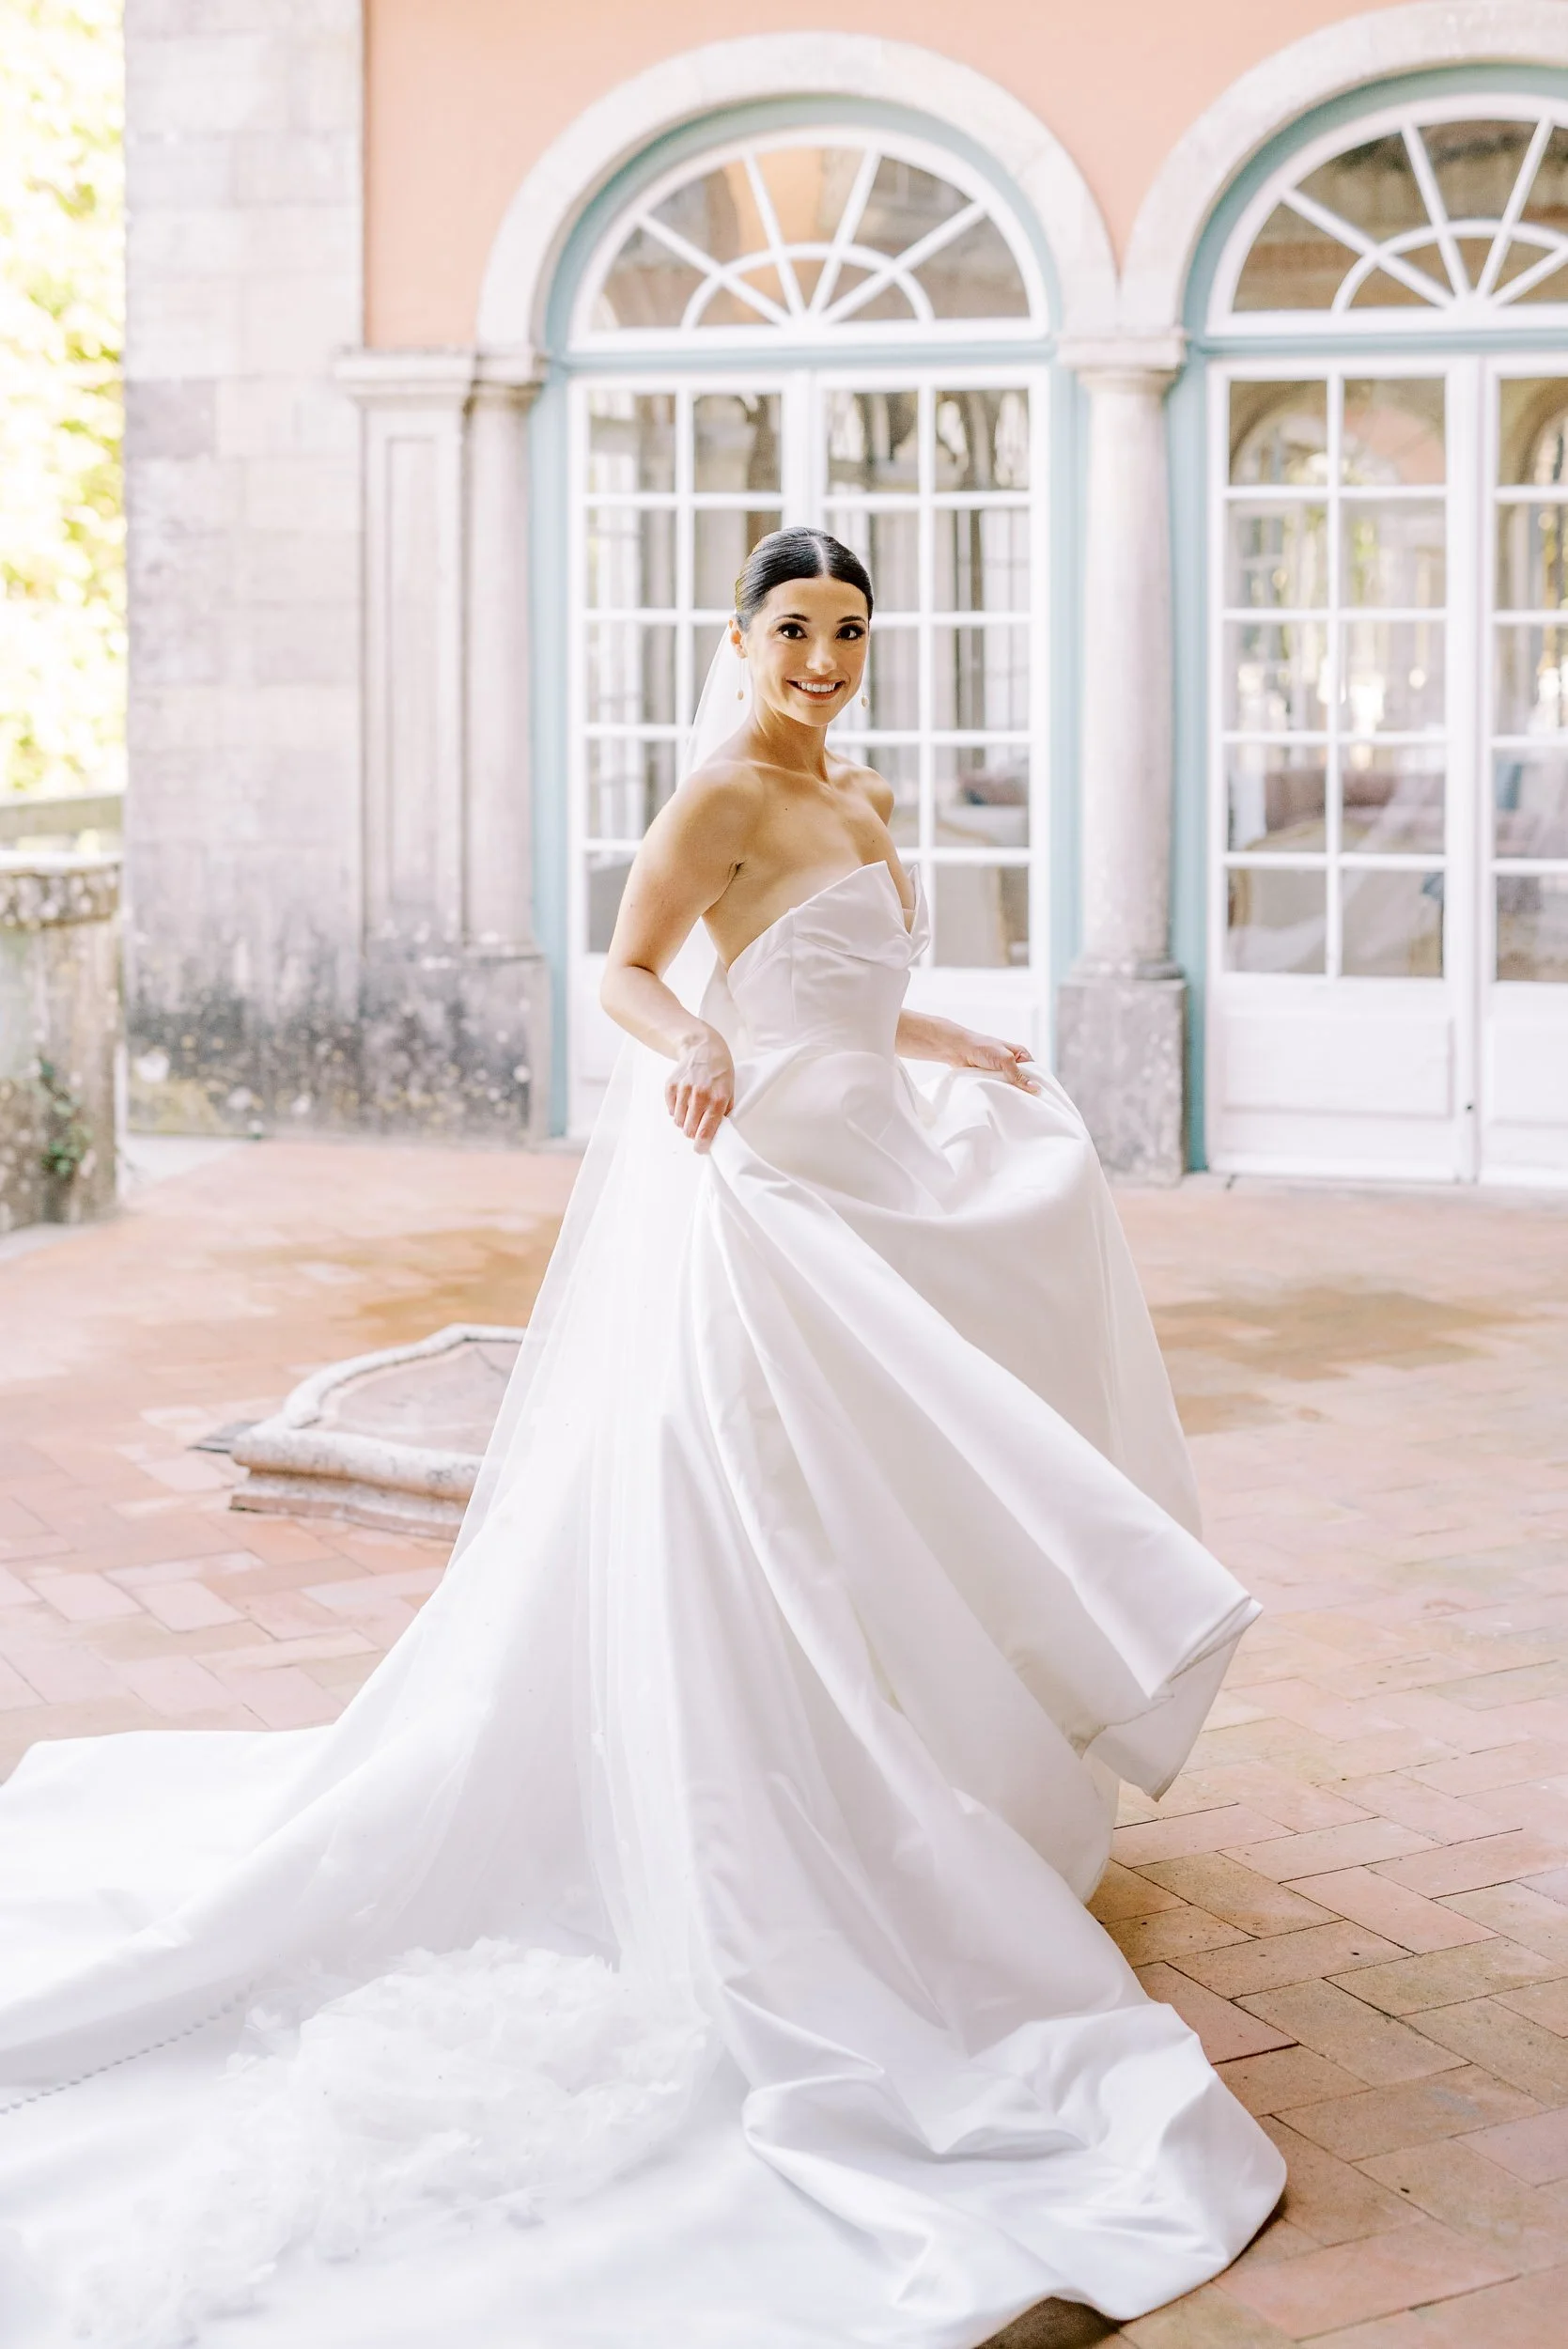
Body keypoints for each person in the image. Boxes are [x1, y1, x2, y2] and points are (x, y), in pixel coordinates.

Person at [0, 530, 1283, 2349]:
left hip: (876, 1163)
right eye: (795, 629)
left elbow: (833, 985)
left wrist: (955, 1041)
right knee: (759, 1513)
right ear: (741, 638)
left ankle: (912, 1782)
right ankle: (771, 1832)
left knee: (895, 1498)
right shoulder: (719, 796)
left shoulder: (864, 790)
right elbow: (628, 969)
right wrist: (685, 1034)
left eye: (850, 628)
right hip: (757, 1193)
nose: (825, 657)